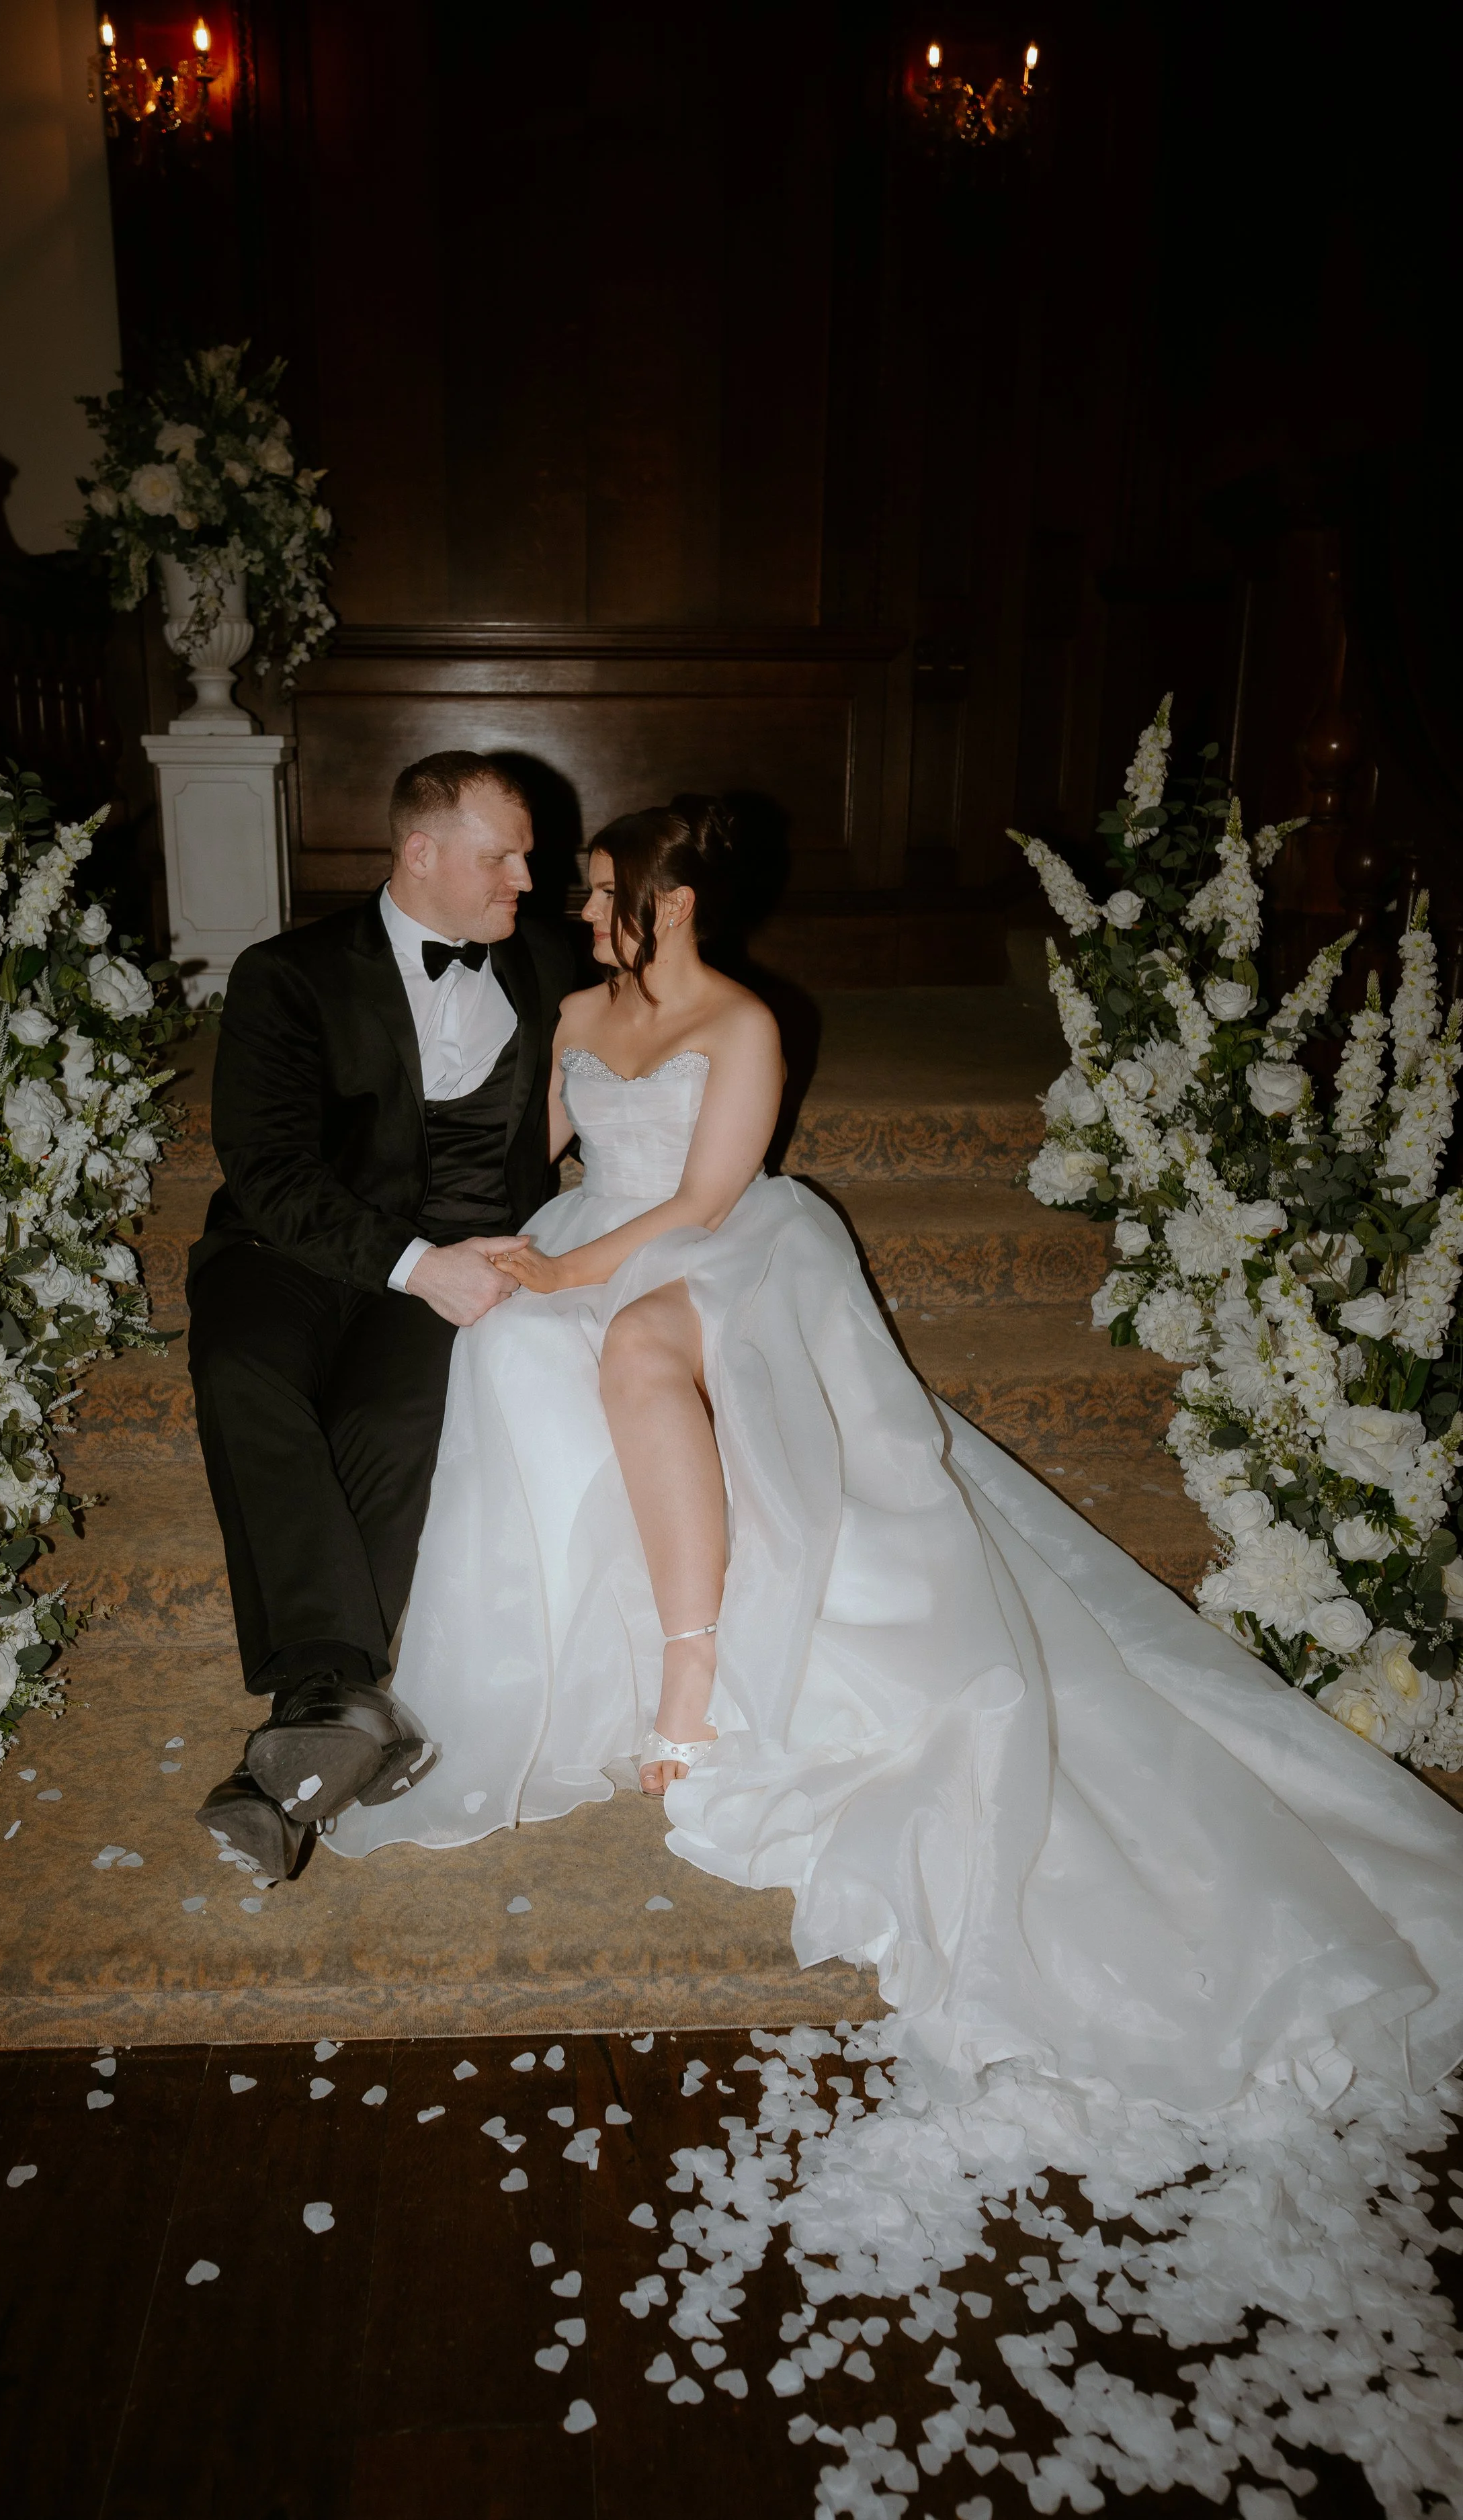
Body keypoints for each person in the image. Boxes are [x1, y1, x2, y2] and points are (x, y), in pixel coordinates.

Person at [326, 794, 1463, 2117]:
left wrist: (572, 1264)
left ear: (671, 904)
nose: (581, 911)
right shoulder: (576, 1017)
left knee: (637, 1345)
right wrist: (477, 1246)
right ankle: (552, 1656)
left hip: (728, 1252)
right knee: (512, 1348)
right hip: (593, 1230)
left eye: (599, 892)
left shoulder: (744, 1025)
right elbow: (516, 1163)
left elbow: (699, 1200)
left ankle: (690, 1677)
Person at [185, 751, 569, 1880]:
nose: (525, 878)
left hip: (456, 1256)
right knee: (246, 1371)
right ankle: (336, 1706)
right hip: (293, 1249)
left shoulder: (547, 961)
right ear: (421, 851)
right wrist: (413, 1264)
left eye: (529, 855)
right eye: (503, 854)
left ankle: (309, 1733)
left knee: (396, 1426)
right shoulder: (286, 974)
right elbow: (265, 1167)